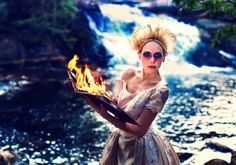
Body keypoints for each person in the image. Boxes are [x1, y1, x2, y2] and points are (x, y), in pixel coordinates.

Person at [83, 24, 180, 165]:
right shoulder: (128, 74)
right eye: (147, 54)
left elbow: (139, 130)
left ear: (164, 57)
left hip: (142, 146)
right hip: (119, 141)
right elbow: (115, 102)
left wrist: (105, 115)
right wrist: (96, 94)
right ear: (139, 55)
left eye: (157, 55)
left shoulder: (161, 90)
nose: (152, 60)